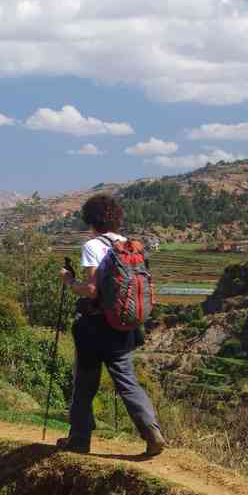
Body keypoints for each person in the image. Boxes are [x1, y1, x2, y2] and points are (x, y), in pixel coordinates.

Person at [57, 193, 165, 456]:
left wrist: (70, 282)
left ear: (90, 220)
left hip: (94, 327)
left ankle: (79, 440)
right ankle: (152, 432)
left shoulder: (93, 246)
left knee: (85, 384)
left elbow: (92, 290)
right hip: (124, 327)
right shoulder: (129, 246)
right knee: (127, 381)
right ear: (117, 219)